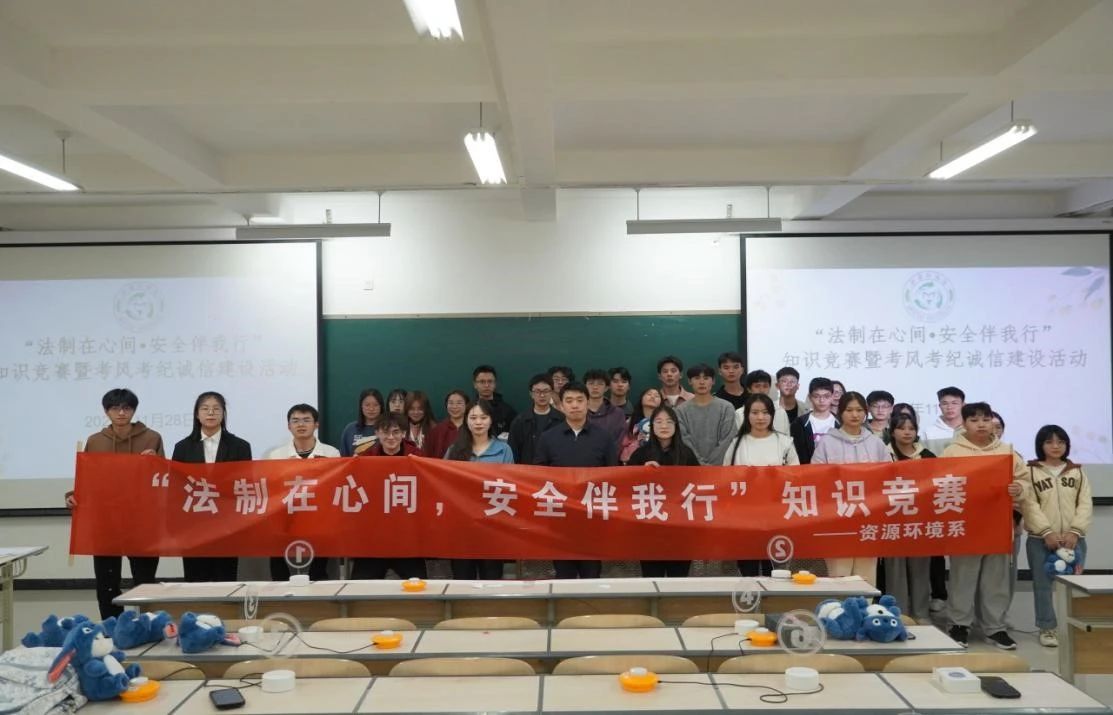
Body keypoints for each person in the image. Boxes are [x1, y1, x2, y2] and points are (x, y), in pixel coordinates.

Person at [70, 388, 164, 619]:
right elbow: (88, 481)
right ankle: (112, 629)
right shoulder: (95, 441)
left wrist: (156, 463)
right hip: (106, 522)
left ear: (134, 410)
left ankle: (147, 626)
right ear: (106, 411)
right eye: (115, 408)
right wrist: (73, 495)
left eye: (127, 408)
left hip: (142, 522)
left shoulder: (152, 438)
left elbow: (163, 480)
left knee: (145, 582)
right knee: (107, 584)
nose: (121, 413)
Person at [942, 402, 1029, 650]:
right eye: (974, 420)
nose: (981, 424)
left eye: (985, 419)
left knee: (996, 578)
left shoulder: (1007, 451)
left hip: (998, 524)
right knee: (963, 577)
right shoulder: (952, 452)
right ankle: (959, 625)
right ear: (964, 424)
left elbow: (1025, 480)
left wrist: (1019, 488)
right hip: (965, 524)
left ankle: (995, 627)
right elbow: (940, 484)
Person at [534, 382, 619, 578]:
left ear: (588, 403)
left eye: (580, 400)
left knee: (591, 573)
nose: (575, 405)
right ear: (561, 405)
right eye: (569, 401)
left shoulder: (604, 437)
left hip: (592, 515)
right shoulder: (548, 438)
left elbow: (613, 475)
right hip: (559, 516)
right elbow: (538, 475)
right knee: (564, 574)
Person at [1021, 425, 1091, 648]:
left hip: (1073, 540)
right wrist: (1047, 532)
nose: (1055, 446)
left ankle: (1074, 626)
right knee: (1043, 586)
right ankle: (1047, 628)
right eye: (1049, 442)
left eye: (1060, 442)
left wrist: (1075, 531)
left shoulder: (1077, 472)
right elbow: (1029, 505)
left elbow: (1085, 504)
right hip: (1041, 540)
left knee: (1074, 586)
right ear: (1040, 445)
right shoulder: (1030, 471)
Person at [812, 391, 891, 586]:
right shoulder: (827, 442)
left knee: (866, 577)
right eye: (849, 410)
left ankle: (865, 606)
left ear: (865, 412)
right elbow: (816, 477)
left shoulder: (875, 442)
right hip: (838, 518)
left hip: (868, 517)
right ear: (840, 412)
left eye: (859, 410)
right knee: (839, 575)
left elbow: (888, 476)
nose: (855, 415)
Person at [172, 391, 252, 583]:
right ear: (197, 414)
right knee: (195, 580)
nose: (211, 413)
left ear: (223, 414)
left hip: (227, 525)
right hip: (193, 526)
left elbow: (245, 484)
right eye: (205, 408)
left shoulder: (240, 446)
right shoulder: (182, 447)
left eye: (216, 409)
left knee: (225, 579)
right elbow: (176, 488)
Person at [723, 393, 799, 578]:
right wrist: (745, 477)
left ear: (772, 415)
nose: (760, 417)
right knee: (747, 569)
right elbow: (726, 477)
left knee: (774, 570)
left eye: (765, 413)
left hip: (776, 515)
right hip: (744, 517)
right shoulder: (737, 443)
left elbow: (797, 476)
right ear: (747, 415)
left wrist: (779, 476)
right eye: (755, 412)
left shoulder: (784, 442)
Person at [264, 404, 341, 581]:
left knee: (318, 571)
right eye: (296, 420)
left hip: (319, 516)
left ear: (316, 425)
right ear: (288, 426)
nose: (301, 424)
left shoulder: (331, 453)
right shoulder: (275, 455)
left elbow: (334, 487)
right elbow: (271, 489)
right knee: (278, 567)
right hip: (285, 516)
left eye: (306, 420)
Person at [445, 400, 515, 580]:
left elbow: (510, 487)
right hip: (461, 529)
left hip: (492, 528)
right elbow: (443, 485)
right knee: (462, 580)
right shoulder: (454, 450)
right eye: (473, 417)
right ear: (466, 421)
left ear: (491, 420)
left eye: (483, 417)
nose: (478, 422)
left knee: (492, 581)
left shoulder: (504, 450)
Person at [352, 413, 428, 580]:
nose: (391, 437)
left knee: (419, 585)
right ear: (377, 433)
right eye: (385, 432)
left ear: (403, 433)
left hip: (407, 536)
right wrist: (353, 467)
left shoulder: (418, 457)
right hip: (373, 537)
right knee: (359, 586)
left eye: (396, 432)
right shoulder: (364, 458)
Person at [628, 404, 699, 578]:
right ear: (651, 427)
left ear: (676, 426)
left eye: (669, 422)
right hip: (650, 529)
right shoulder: (640, 454)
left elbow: (699, 485)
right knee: (652, 579)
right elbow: (626, 486)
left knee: (678, 580)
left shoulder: (687, 454)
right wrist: (641, 472)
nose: (664, 426)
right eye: (659, 422)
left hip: (680, 529)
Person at [884, 411, 935, 620]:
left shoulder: (927, 455)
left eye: (911, 428)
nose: (907, 432)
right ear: (892, 431)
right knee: (895, 571)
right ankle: (899, 613)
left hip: (919, 521)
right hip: (892, 520)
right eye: (901, 428)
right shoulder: (884, 454)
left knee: (921, 569)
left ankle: (921, 613)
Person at [676, 363, 736, 466]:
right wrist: (700, 464)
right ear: (690, 381)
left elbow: (728, 439)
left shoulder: (726, 407)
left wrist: (710, 466)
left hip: (722, 468)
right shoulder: (680, 411)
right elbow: (684, 440)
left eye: (706, 378)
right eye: (697, 378)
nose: (702, 382)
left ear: (713, 381)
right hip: (691, 467)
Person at [507, 374, 564, 466]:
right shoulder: (520, 421)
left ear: (551, 393)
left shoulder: (561, 419)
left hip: (554, 470)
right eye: (537, 391)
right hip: (527, 471)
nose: (542, 395)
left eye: (546, 391)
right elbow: (513, 452)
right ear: (531, 394)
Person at [789, 377, 839, 465]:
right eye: (816, 396)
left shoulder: (841, 423)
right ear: (810, 397)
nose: (821, 400)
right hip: (808, 471)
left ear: (832, 397)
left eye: (826, 396)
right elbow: (797, 455)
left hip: (836, 470)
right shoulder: (798, 424)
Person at [584, 368, 627, 445]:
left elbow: (619, 441)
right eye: (591, 383)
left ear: (606, 388)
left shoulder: (617, 413)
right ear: (585, 386)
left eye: (600, 384)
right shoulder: (577, 410)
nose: (595, 387)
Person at [473, 364, 517, 438]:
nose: (486, 385)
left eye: (490, 381)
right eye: (482, 382)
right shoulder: (469, 409)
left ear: (495, 384)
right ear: (475, 384)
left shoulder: (507, 411)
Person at [619, 388, 661, 463]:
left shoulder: (663, 423)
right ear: (641, 399)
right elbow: (622, 443)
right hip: (632, 461)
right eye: (649, 394)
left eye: (657, 396)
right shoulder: (630, 421)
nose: (652, 397)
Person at [339, 388, 385, 457]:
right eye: (367, 405)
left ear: (381, 407)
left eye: (375, 405)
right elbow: (343, 458)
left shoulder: (388, 429)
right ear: (361, 406)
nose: (371, 409)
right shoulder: (350, 429)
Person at [426, 390, 469, 462]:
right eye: (451, 403)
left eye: (459, 403)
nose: (454, 406)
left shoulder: (473, 428)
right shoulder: (437, 430)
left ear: (466, 405)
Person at [924, 386, 965, 455]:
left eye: (954, 403)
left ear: (963, 405)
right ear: (940, 406)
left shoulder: (971, 429)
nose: (949, 407)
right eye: (945, 403)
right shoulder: (928, 432)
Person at [771, 367, 802, 434]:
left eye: (792, 381)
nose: (788, 384)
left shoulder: (806, 409)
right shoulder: (770, 408)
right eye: (784, 381)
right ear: (777, 385)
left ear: (798, 386)